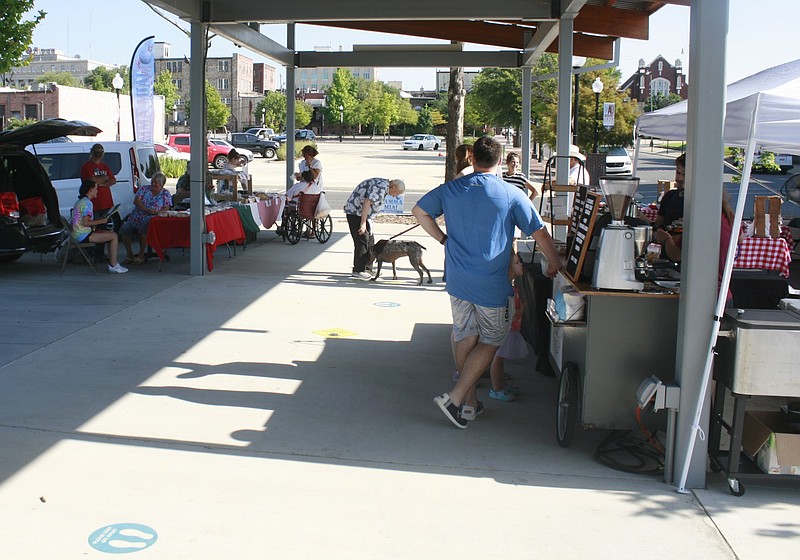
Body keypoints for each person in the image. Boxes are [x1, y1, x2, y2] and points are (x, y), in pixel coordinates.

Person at [412, 135, 563, 428]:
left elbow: (420, 211)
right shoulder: (510, 193)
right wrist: (555, 263)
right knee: (492, 339)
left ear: (472, 158)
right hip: (491, 282)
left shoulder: (452, 188)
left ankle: (469, 404)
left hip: (457, 278)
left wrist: (443, 239)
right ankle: (455, 398)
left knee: (465, 335)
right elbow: (539, 233)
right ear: (498, 159)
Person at [344, 178, 406, 280]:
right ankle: (358, 270)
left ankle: (367, 268)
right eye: (397, 193)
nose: (395, 196)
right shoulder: (381, 188)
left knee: (370, 241)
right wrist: (363, 223)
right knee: (362, 241)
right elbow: (367, 202)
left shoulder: (383, 185)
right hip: (356, 213)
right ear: (394, 187)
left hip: (363, 215)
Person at [488, 248, 527, 402]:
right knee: (497, 359)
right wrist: (521, 310)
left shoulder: (509, 288)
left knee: (501, 358)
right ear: (509, 268)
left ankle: (502, 384)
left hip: (508, 331)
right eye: (517, 263)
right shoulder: (506, 290)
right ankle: (496, 388)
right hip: (504, 331)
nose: (521, 265)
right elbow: (508, 314)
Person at [70, 180, 128, 274]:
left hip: (78, 233)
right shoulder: (87, 203)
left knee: (110, 234)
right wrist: (102, 221)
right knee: (113, 236)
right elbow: (85, 222)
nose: (97, 191)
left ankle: (113, 263)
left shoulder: (80, 201)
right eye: (96, 189)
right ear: (90, 190)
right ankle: (113, 265)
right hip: (82, 235)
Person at [119, 171, 172, 265]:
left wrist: (157, 212)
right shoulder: (144, 189)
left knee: (143, 230)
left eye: (156, 183)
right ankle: (129, 254)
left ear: (161, 184)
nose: (153, 184)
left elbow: (166, 207)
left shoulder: (165, 193)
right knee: (124, 229)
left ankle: (141, 255)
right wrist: (146, 210)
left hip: (152, 219)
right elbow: (136, 201)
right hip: (136, 217)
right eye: (152, 182)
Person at [80, 143, 117, 262]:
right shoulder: (86, 166)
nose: (97, 158)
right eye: (96, 155)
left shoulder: (105, 165)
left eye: (99, 155)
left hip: (106, 202)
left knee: (104, 227)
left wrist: (101, 182)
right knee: (92, 227)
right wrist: (104, 179)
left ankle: (101, 254)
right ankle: (91, 255)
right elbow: (90, 181)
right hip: (93, 203)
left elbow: (112, 180)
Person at [655, 153, 686, 228]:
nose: (680, 178)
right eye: (678, 173)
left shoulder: (701, 203)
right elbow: (657, 226)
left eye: (685, 174)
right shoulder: (669, 196)